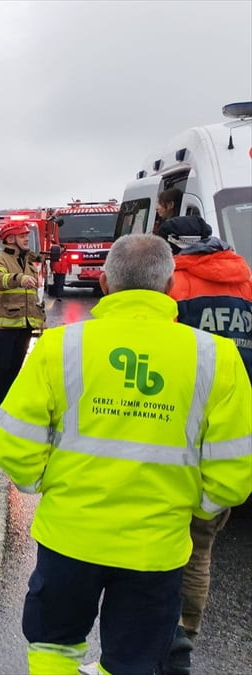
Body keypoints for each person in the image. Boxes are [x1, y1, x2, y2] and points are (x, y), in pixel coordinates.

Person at [0, 234, 252, 675]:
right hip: (157, 546)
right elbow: (235, 465)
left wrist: (40, 485)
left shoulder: (60, 346)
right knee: (133, 660)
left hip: (69, 536)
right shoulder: (217, 356)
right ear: (170, 286)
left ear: (104, 283)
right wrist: (197, 505)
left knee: (53, 647)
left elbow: (14, 436)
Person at [156, 215, 252, 674]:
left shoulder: (176, 281)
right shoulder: (243, 276)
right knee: (202, 544)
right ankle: (185, 637)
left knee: (162, 542)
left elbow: (164, 349)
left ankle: (158, 639)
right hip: (236, 419)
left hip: (186, 422)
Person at [0, 222, 44, 431]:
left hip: (24, 324)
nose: (26, 239)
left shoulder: (27, 262)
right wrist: (18, 279)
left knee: (13, 369)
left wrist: (39, 319)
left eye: (27, 236)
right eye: (22, 236)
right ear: (10, 239)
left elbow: (31, 298)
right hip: (3, 325)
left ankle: (2, 411)